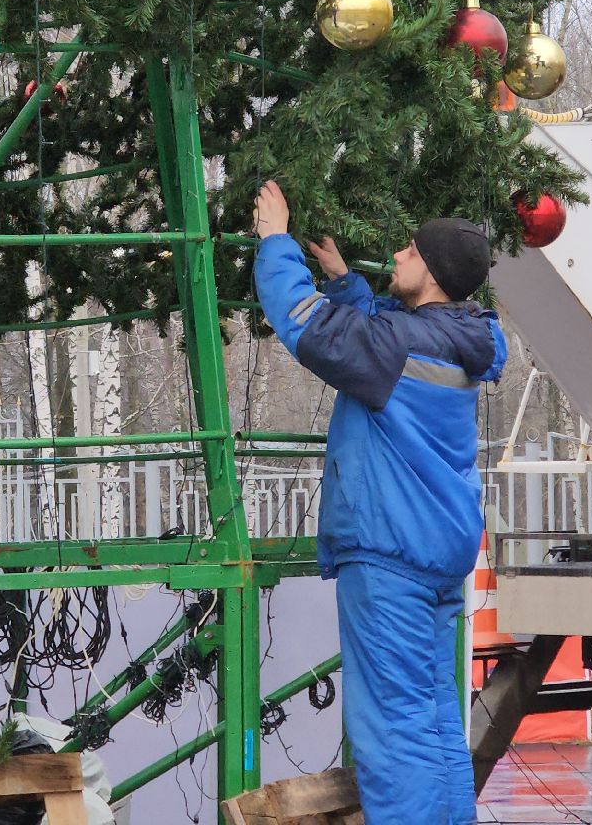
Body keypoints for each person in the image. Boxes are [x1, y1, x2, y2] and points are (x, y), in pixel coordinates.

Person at [250, 180, 506, 825]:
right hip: (436, 552)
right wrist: (344, 283)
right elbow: (386, 338)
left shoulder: (399, 348)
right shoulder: (460, 336)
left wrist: (275, 239)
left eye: (410, 251)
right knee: (434, 722)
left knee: (393, 736)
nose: (396, 255)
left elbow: (302, 323)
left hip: (391, 554)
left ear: (434, 275)